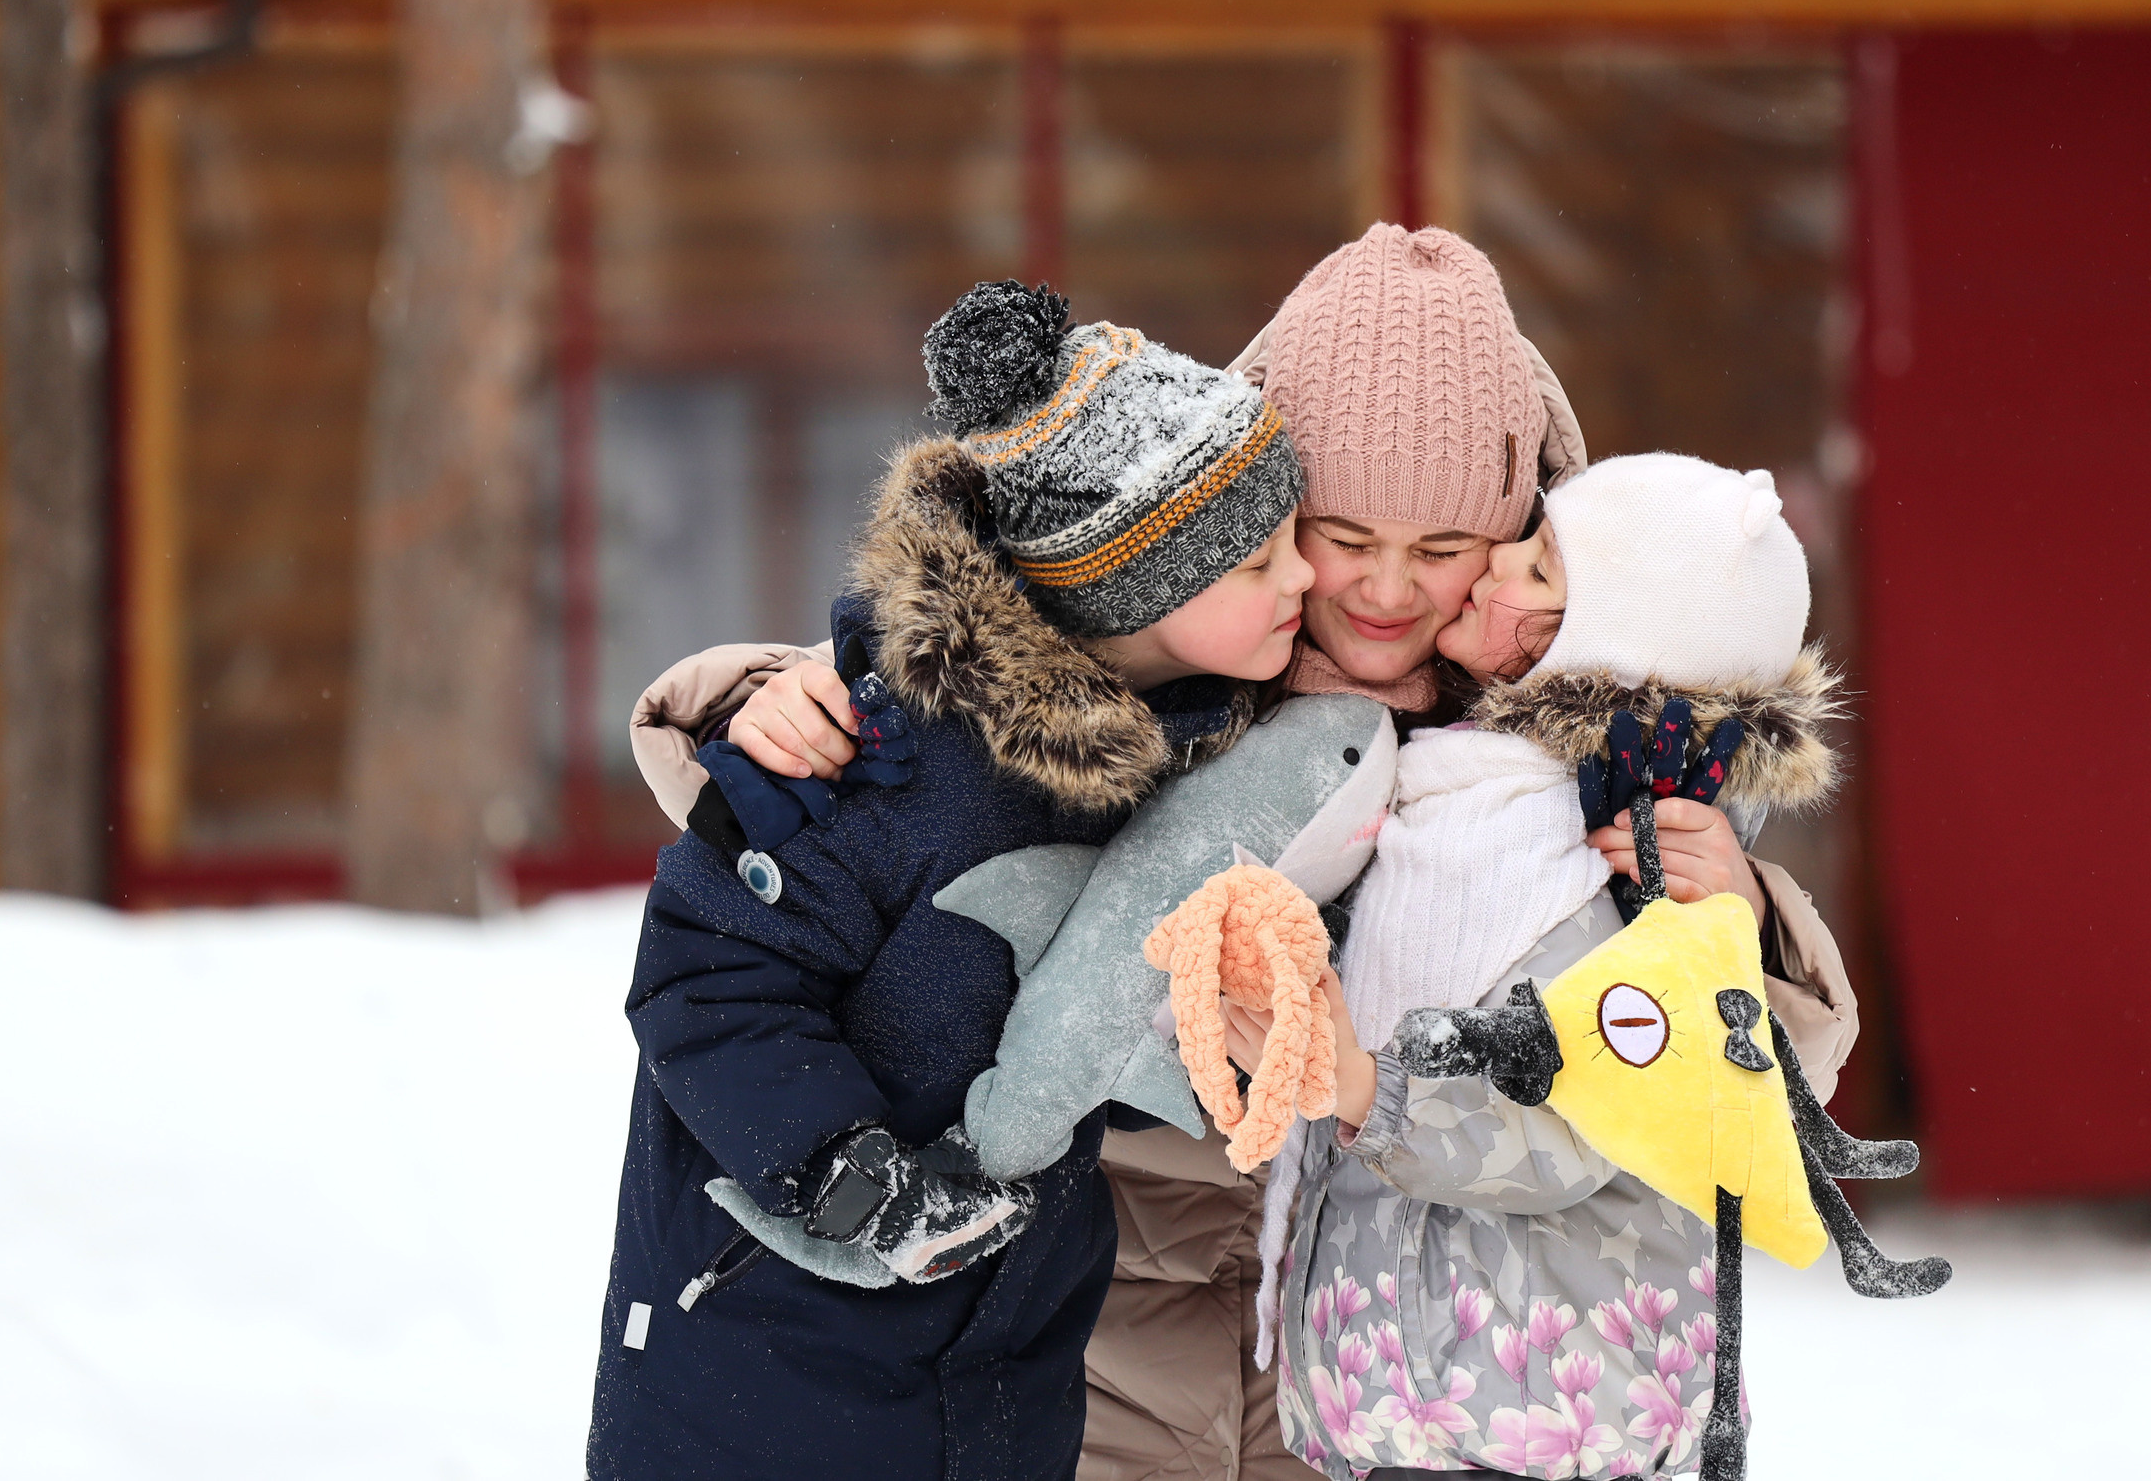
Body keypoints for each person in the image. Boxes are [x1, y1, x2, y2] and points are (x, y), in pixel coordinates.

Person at [628, 226, 1823, 1481]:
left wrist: (1747, 917)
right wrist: (761, 699)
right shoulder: (1173, 627)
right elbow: (913, 753)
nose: (1385, 591)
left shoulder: (1593, 727)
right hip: (1103, 1327)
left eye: (1445, 549)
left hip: (1391, 1358)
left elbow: (1712, 1076)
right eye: (1344, 535)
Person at [586, 279, 1313, 1481]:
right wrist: (839, 1173)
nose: (1302, 581)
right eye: (1259, 561)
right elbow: (703, 976)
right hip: (768, 1349)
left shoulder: (1175, 773)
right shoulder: (874, 756)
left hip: (1003, 1358)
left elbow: (1071, 1048)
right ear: (1142, 584)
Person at [1241, 453, 1857, 1481]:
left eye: (1538, 572)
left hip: (1552, 1407)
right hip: (1434, 1394)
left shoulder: (1603, 848)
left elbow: (1583, 1126)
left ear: (1610, 643)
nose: (1488, 573)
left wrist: (1359, 1089)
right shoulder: (1457, 790)